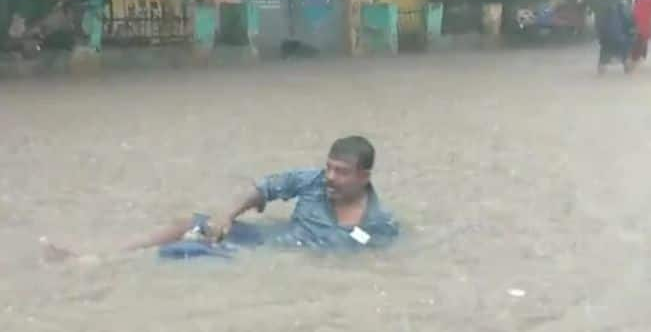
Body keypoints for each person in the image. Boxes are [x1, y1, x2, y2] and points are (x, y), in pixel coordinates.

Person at [42, 136, 399, 261]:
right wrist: (228, 215)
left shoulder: (378, 225)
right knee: (189, 224)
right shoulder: (311, 182)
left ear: (364, 177)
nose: (331, 178)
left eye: (341, 172)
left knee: (186, 258)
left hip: (277, 261)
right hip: (267, 239)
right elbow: (264, 188)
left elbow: (373, 264)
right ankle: (101, 256)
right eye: (329, 168)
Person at [597, 0, 634, 75]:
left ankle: (600, 77)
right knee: (626, 57)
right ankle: (628, 75)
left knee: (602, 60)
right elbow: (627, 23)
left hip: (607, 40)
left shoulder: (604, 10)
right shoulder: (621, 9)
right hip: (620, 38)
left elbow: (600, 26)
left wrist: (601, 38)